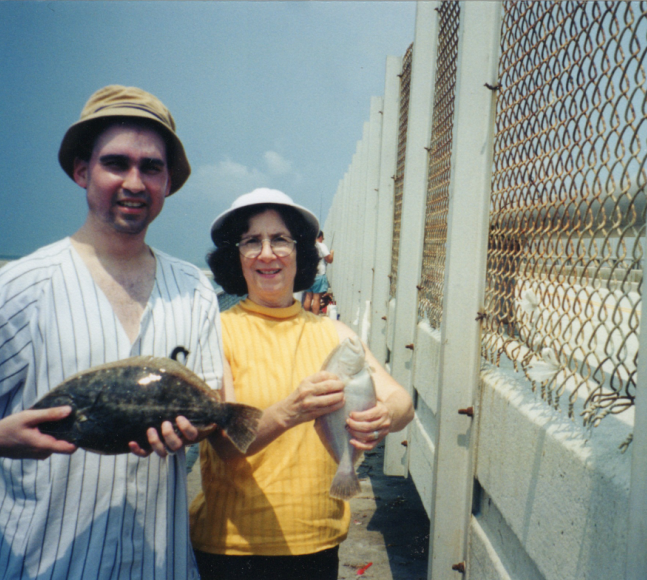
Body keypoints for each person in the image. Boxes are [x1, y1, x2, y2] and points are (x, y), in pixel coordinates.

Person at [0, 85, 223, 579]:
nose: (134, 182)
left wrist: (197, 426)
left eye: (151, 167)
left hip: (160, 565)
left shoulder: (195, 289)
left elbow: (211, 406)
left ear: (168, 182)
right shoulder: (19, 287)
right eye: (115, 163)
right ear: (83, 171)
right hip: (42, 565)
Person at [189, 188, 413, 580]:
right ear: (234, 256)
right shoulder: (214, 333)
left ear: (301, 252)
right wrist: (292, 410)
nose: (267, 253)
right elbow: (224, 442)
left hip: (318, 544)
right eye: (251, 242)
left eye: (280, 240)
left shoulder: (335, 332)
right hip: (232, 551)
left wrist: (383, 416)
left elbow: (400, 402)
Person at [303, 230, 334, 315]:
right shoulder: (321, 246)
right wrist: (332, 253)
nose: (322, 240)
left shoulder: (307, 246)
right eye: (322, 238)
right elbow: (329, 260)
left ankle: (306, 318)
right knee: (316, 299)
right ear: (320, 237)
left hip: (308, 275)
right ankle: (315, 320)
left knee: (308, 297)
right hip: (319, 275)